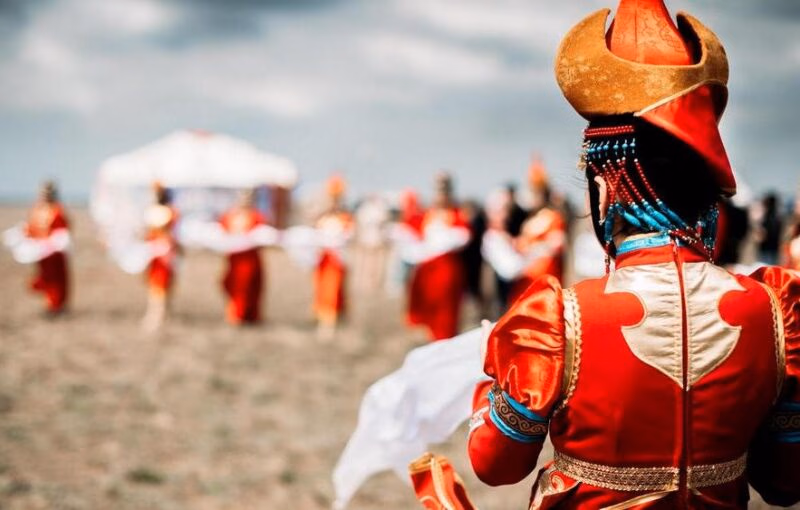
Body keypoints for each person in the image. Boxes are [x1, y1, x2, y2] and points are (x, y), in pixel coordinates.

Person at [460, 1, 800, 508]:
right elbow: (786, 482)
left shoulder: (560, 320)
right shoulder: (777, 313)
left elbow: (494, 464)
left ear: (605, 188)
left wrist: (495, 378)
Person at [407, 172, 470, 340]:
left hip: (446, 270)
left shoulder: (456, 214)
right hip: (428, 270)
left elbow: (464, 236)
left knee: (446, 311)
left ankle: (445, 338)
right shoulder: (428, 214)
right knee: (429, 308)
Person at [314, 174, 354, 339]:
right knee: (322, 289)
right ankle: (324, 317)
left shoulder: (344, 218)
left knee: (334, 289)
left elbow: (349, 235)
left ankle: (331, 320)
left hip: (336, 259)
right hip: (323, 259)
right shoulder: (322, 217)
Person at [219, 189, 267, 324]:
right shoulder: (230, 215)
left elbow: (262, 237)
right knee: (234, 285)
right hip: (235, 258)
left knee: (250, 288)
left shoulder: (256, 216)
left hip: (250, 258)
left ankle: (248, 315)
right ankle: (236, 314)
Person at [25, 181, 70, 315]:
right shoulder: (37, 210)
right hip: (40, 252)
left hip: (55, 253)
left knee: (57, 281)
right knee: (45, 279)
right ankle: (50, 304)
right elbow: (31, 228)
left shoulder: (57, 210)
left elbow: (63, 231)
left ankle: (56, 306)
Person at [141, 182, 179, 331]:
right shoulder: (153, 211)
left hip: (165, 253)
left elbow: (172, 234)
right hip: (153, 252)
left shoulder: (170, 212)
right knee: (154, 284)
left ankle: (158, 315)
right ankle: (157, 314)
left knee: (162, 285)